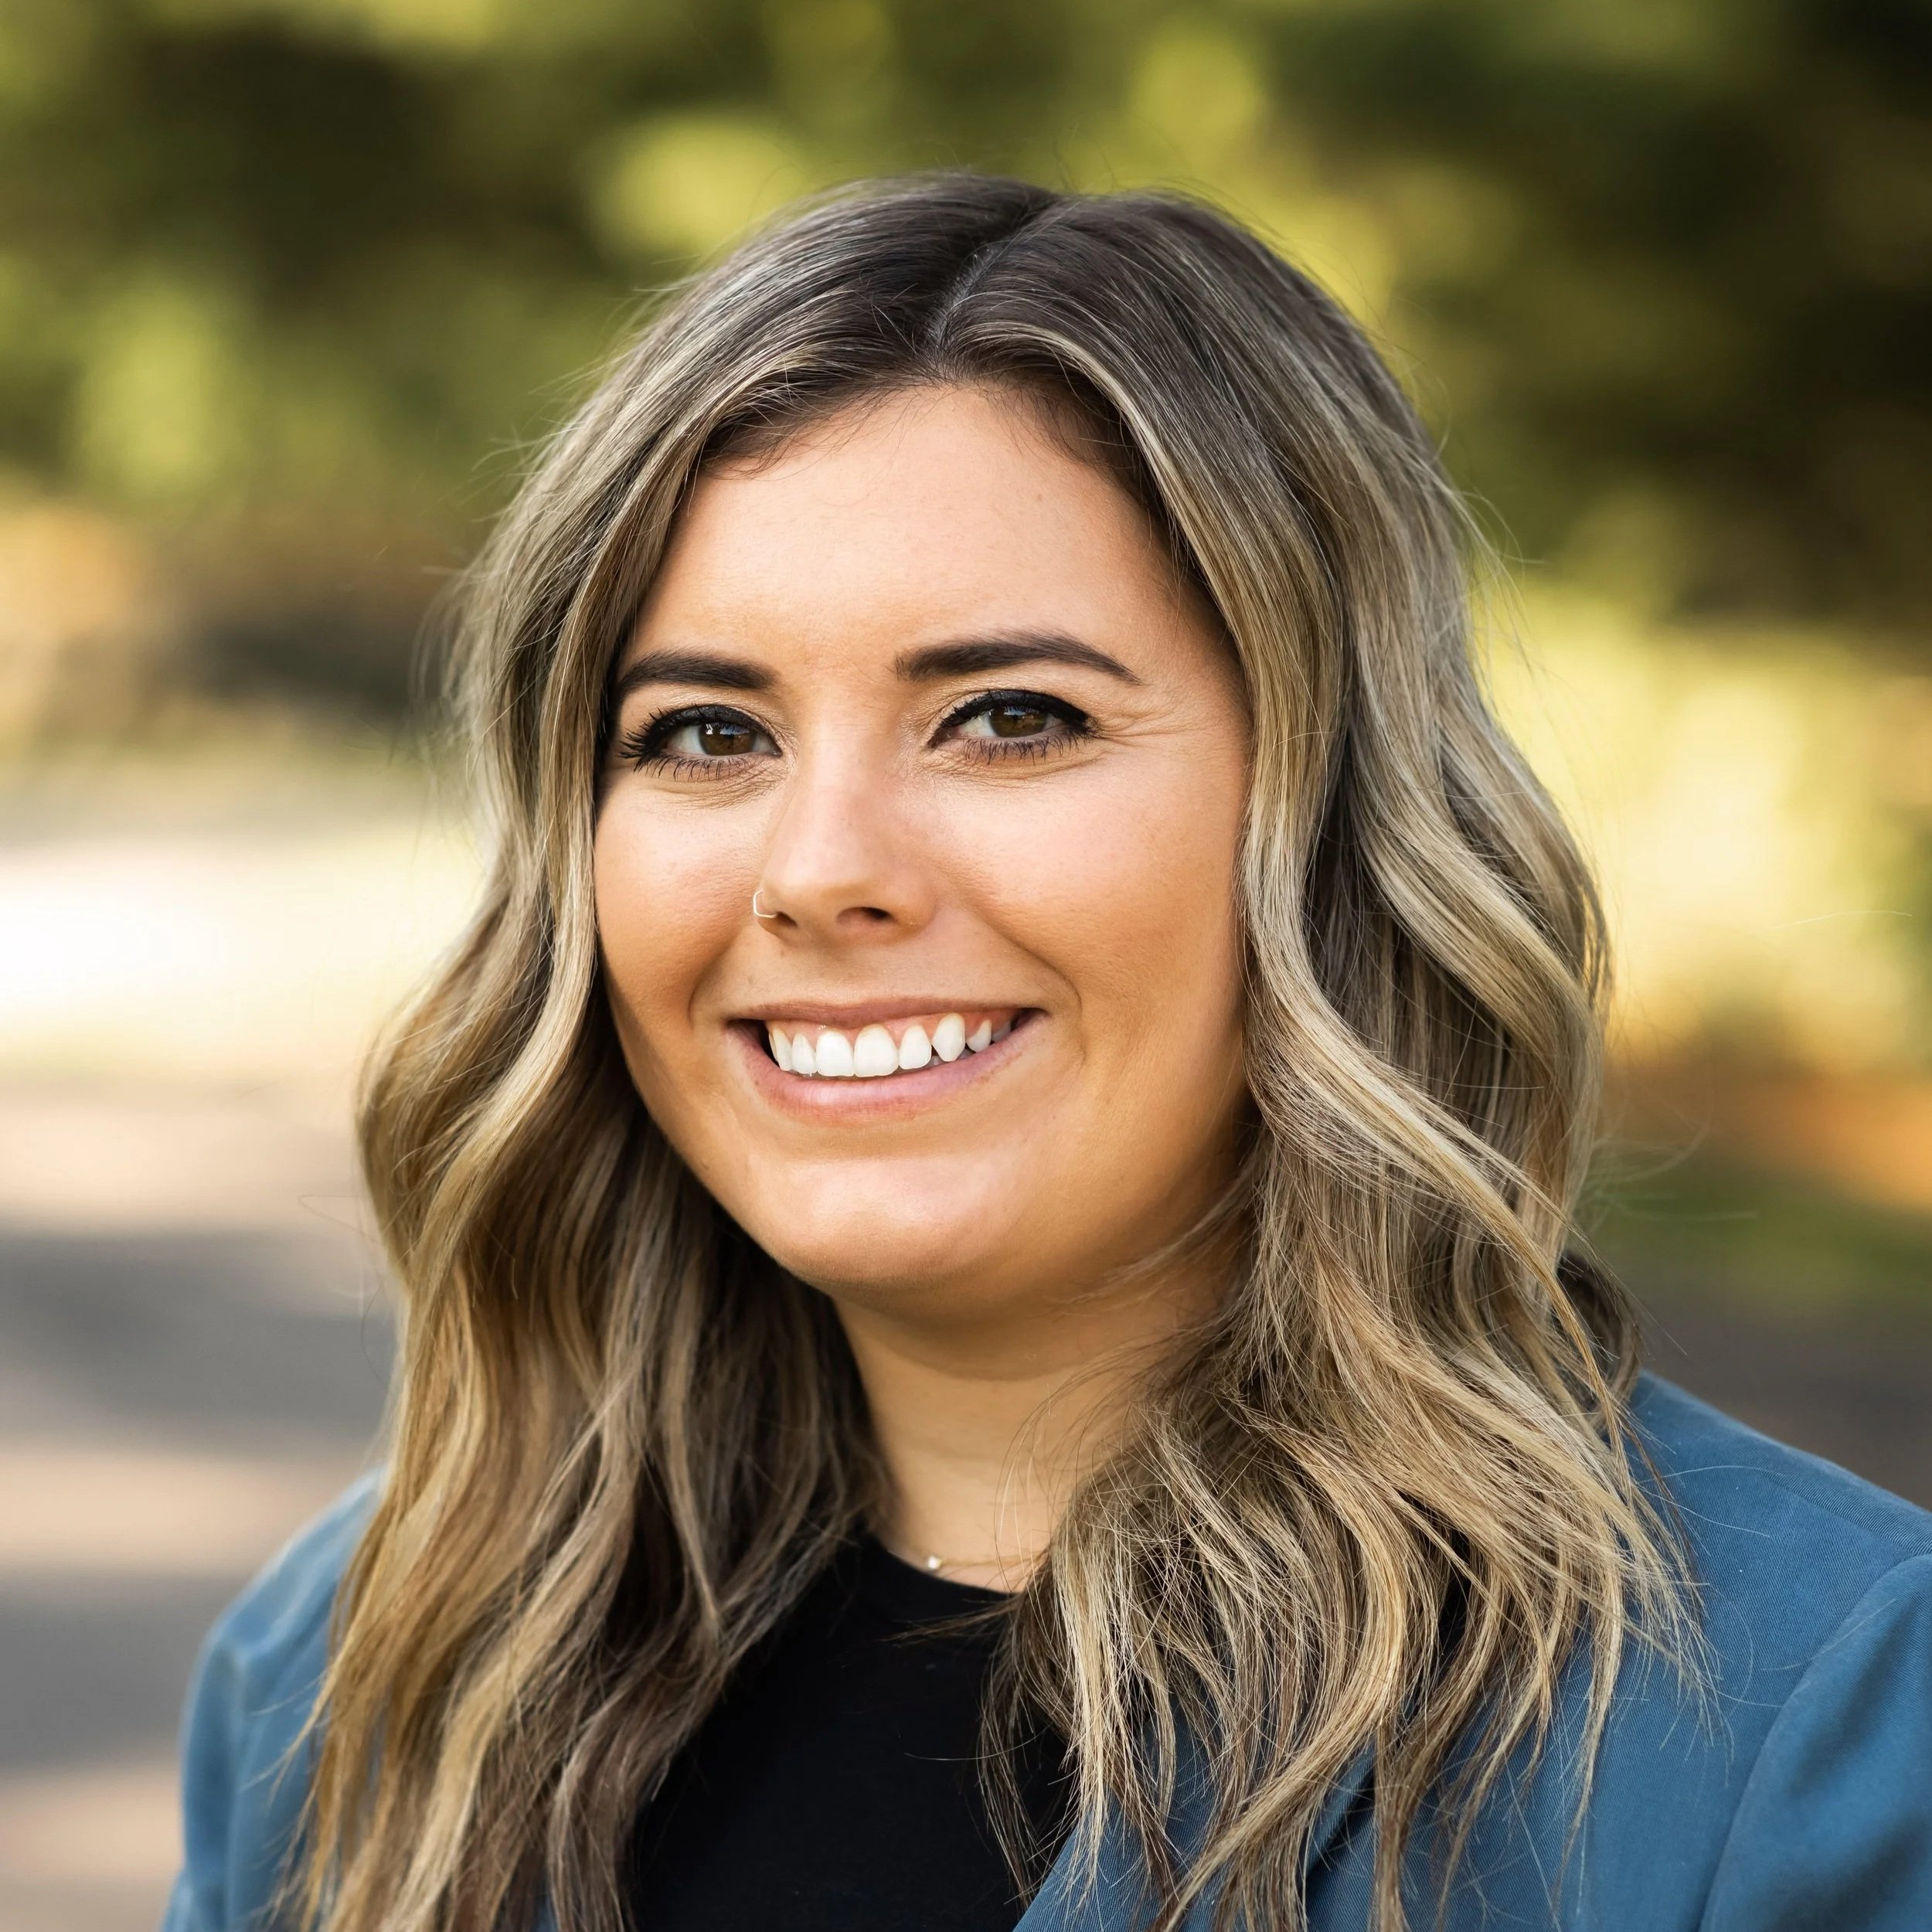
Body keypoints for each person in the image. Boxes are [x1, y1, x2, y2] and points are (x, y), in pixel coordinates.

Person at [164, 175, 1932, 1932]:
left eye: (1011, 719)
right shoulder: (349, 1676)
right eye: (705, 729)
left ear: (1323, 819)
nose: (821, 868)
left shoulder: (1819, 1720)